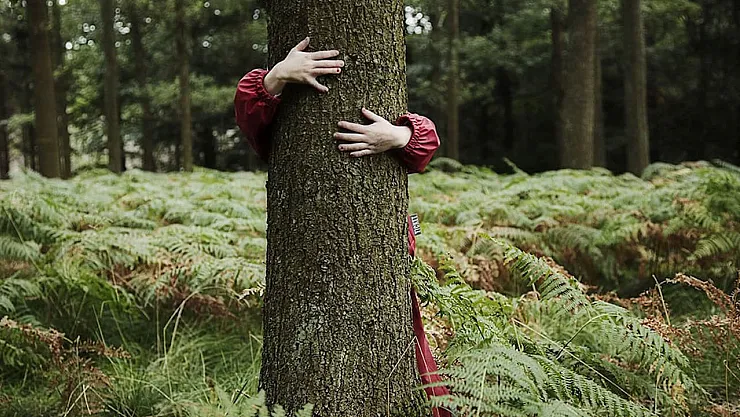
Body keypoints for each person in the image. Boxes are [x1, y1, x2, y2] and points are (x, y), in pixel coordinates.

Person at [234, 37, 451, 417]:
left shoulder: (391, 123)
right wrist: (278, 75)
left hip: (387, 260)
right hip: (309, 261)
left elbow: (425, 143)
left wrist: (396, 135)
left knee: (416, 360)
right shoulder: (282, 122)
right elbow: (249, 116)